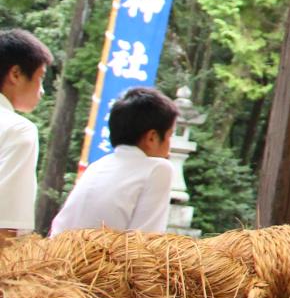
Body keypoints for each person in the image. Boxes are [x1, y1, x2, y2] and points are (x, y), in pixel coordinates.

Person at [50, 86, 177, 235]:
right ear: (152, 138)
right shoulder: (158, 169)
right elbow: (145, 244)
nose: (170, 146)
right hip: (101, 257)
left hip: (58, 253)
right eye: (170, 136)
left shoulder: (97, 166)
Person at [0, 29, 51, 241]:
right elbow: (5, 229)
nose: (42, 91)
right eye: (41, 78)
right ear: (16, 74)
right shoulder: (18, 130)